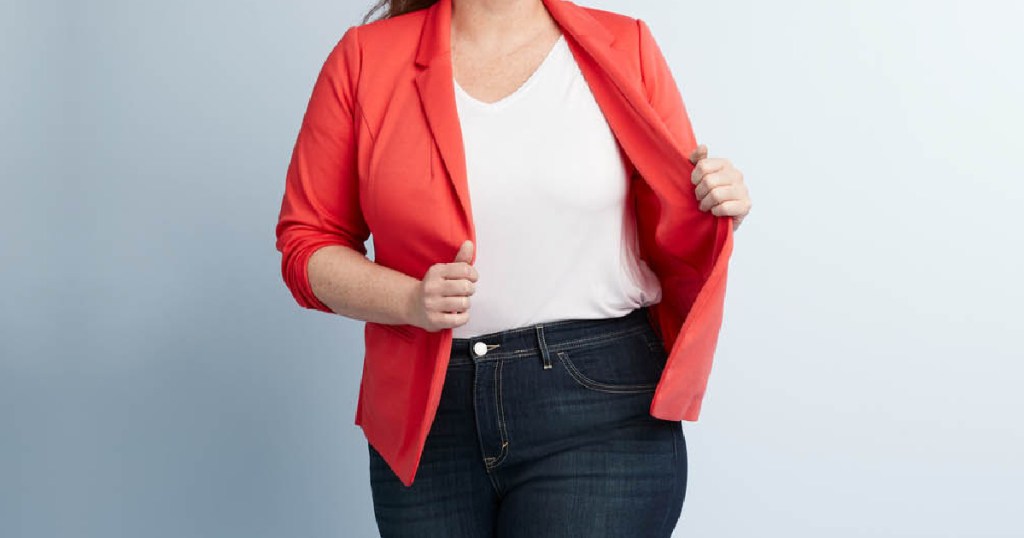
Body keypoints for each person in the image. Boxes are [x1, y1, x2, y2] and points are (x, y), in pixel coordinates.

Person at [275, 0, 752, 535]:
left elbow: (680, 212)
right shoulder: (365, 59)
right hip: (427, 417)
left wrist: (719, 206)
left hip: (595, 401)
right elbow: (306, 245)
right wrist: (408, 300)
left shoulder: (626, 46)